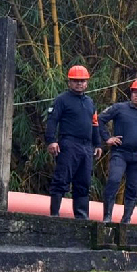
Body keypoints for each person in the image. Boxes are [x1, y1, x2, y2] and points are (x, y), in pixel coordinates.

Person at [98, 79, 137, 223]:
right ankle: (107, 217)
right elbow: (99, 120)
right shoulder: (119, 108)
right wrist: (107, 138)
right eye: (135, 93)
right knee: (113, 181)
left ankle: (126, 219)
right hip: (119, 152)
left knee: (133, 188)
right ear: (131, 93)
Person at [45, 65, 103, 219]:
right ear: (69, 82)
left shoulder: (90, 102)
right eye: (76, 81)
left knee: (83, 182)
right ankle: (54, 214)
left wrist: (97, 144)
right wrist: (51, 141)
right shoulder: (61, 99)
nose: (79, 84)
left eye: (82, 81)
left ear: (87, 82)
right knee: (61, 179)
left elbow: (95, 124)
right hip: (68, 143)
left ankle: (81, 217)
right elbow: (52, 120)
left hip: (86, 146)